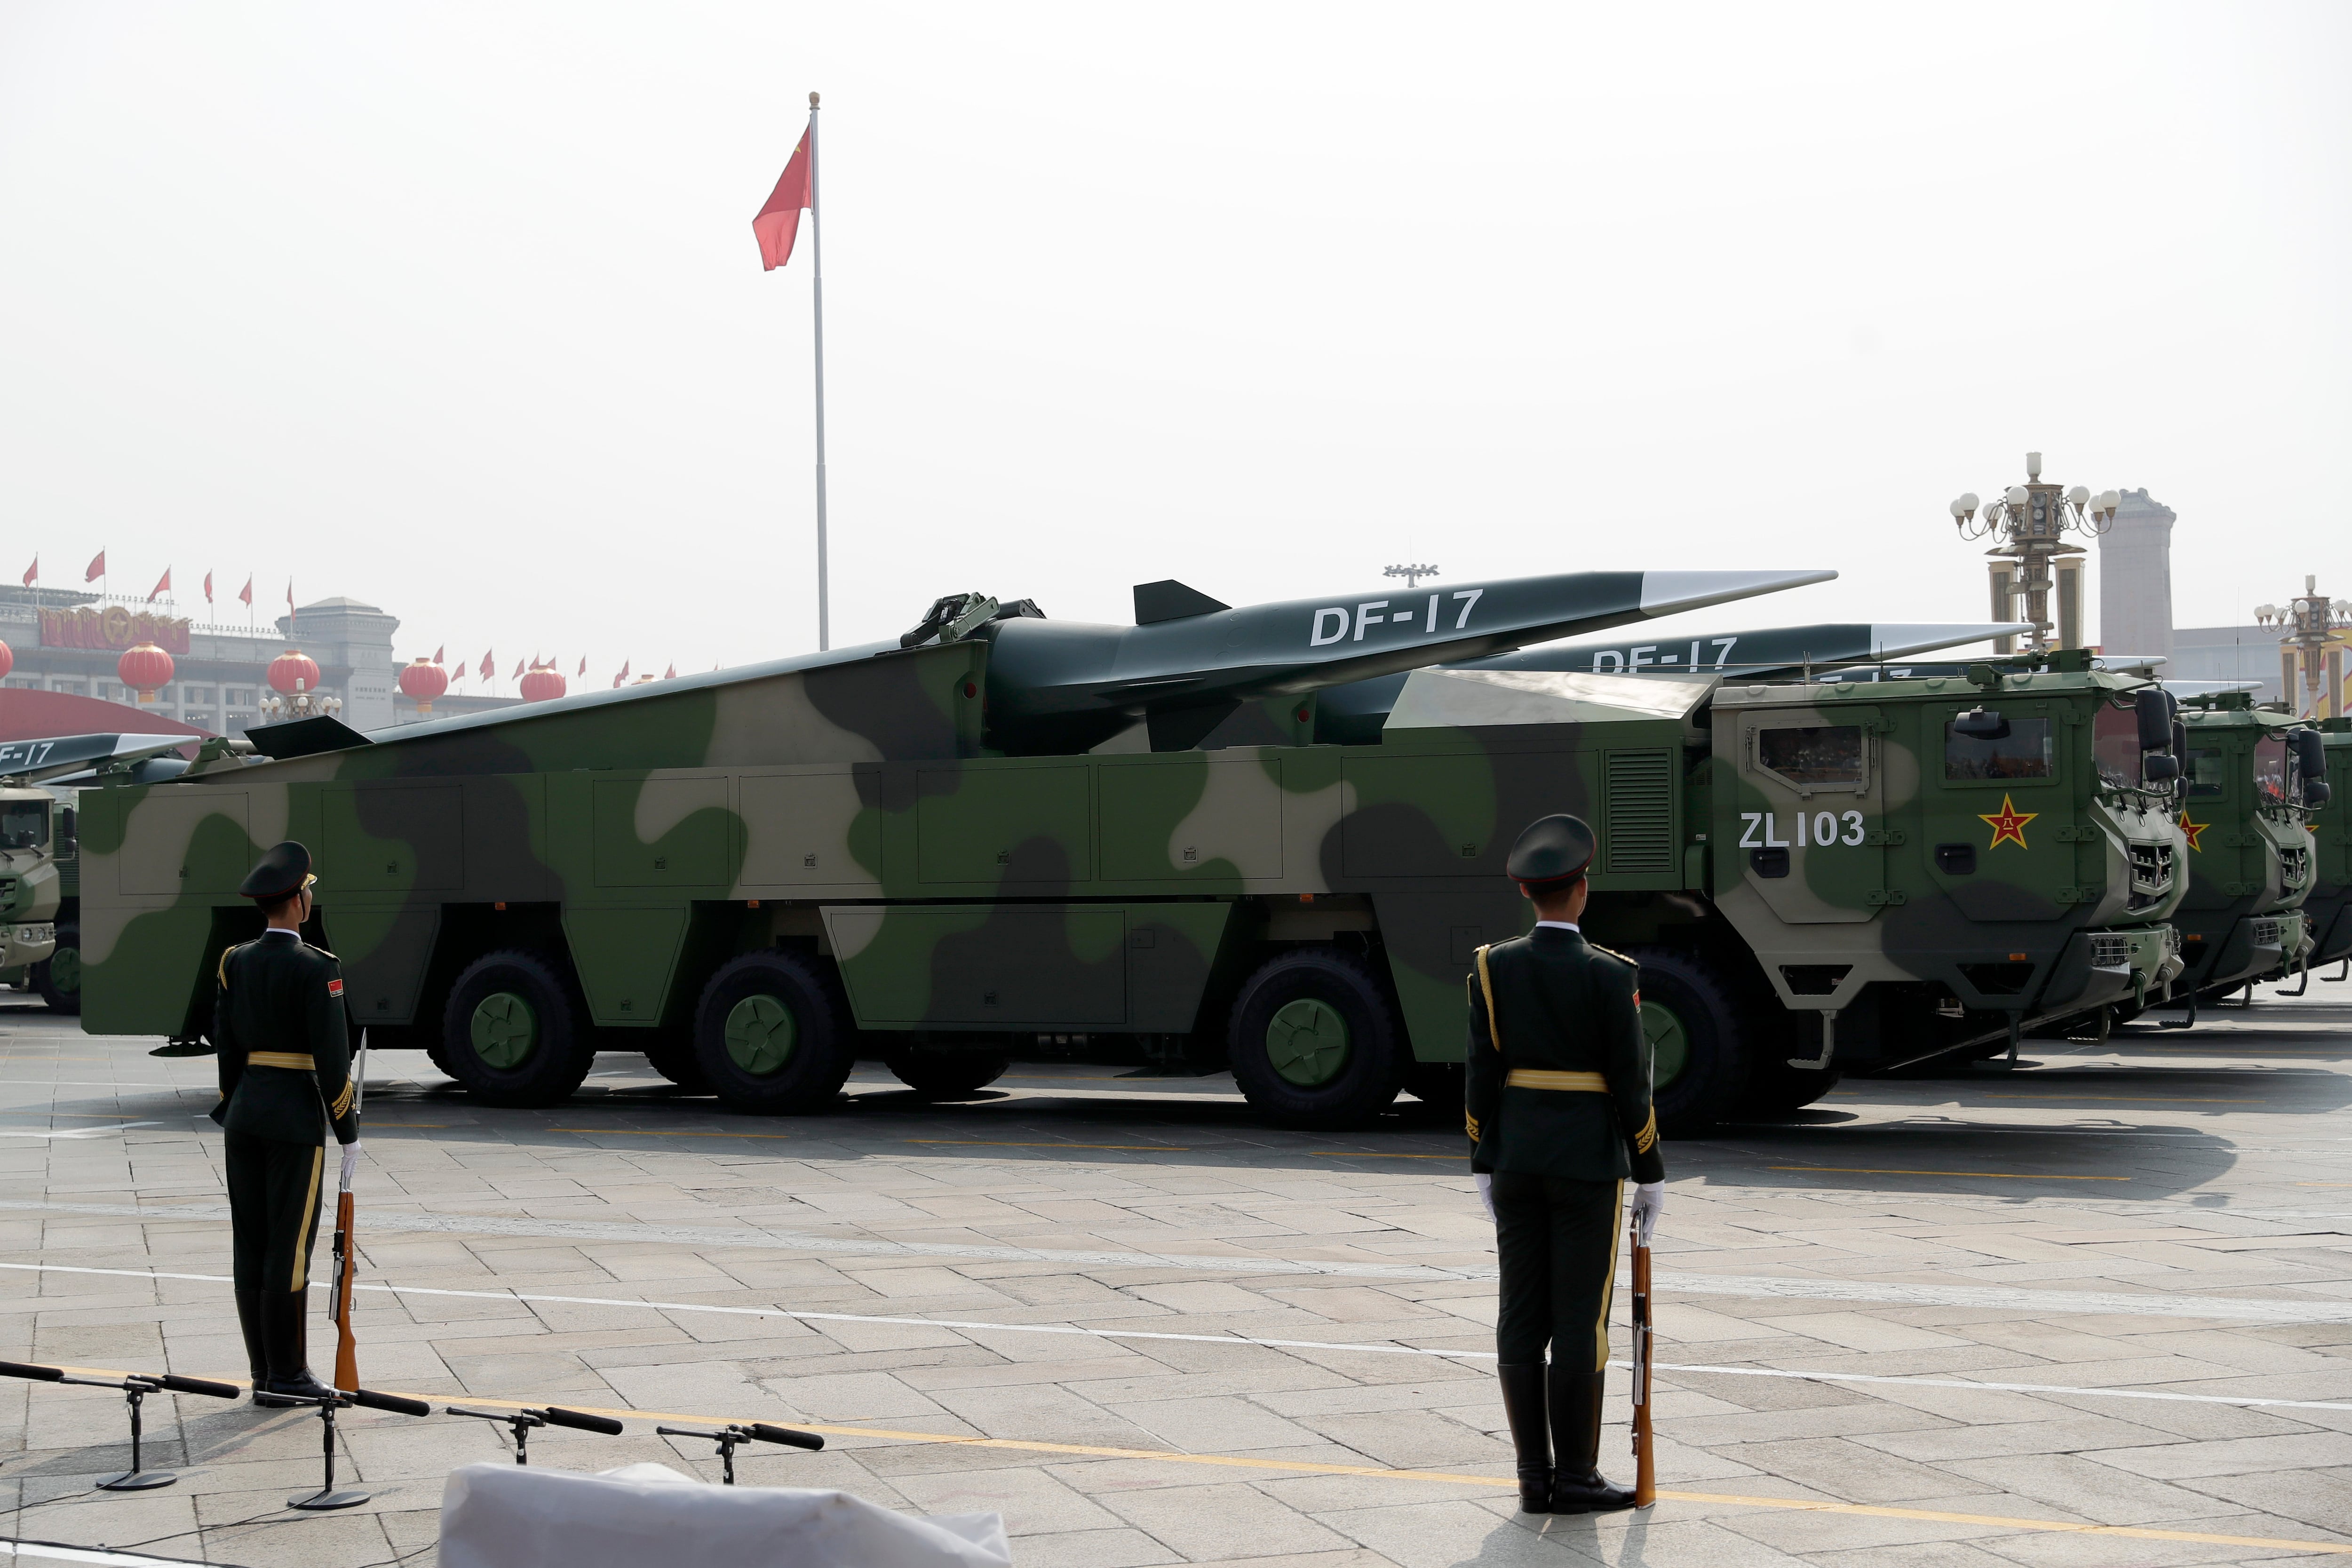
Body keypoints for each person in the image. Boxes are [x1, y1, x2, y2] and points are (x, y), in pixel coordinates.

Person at [1465, 813, 1665, 1514]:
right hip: (1585, 1165)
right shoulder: (1612, 975)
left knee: (1520, 1315)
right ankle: (1575, 1477)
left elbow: (1481, 1074)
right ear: (1580, 891)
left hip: (1515, 1160)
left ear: (1530, 894)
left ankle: (1532, 1478)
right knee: (1581, 1318)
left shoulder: (1493, 966)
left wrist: (1483, 1159)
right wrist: (1650, 1170)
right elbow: (1630, 1083)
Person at [211, 841, 360, 1405]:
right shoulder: (317, 967)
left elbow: (226, 1046)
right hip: (294, 1119)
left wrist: (236, 1102)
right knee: (290, 1246)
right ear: (298, 901)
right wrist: (346, 1130)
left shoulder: (235, 961)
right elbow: (331, 1060)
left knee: (250, 1243)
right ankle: (290, 1376)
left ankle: (262, 1371)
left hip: (244, 1113)